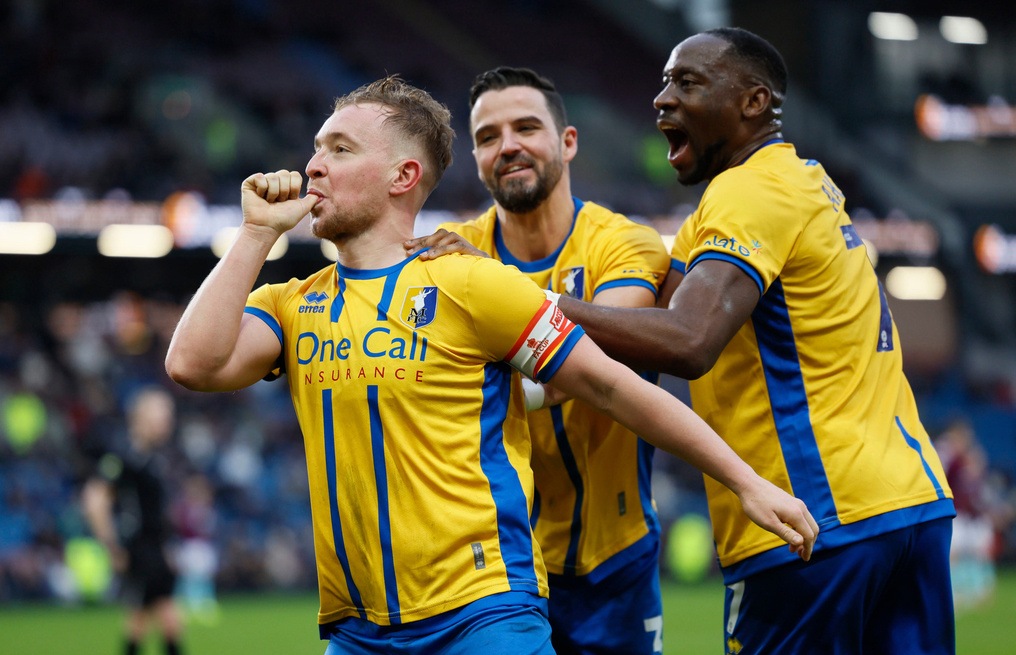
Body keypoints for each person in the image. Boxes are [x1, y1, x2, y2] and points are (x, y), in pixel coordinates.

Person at [164, 75, 816, 655]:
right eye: (315, 148)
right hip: (357, 630)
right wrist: (254, 235)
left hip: (483, 616)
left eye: (339, 149)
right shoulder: (291, 303)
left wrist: (746, 481)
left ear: (403, 176)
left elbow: (612, 385)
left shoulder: (471, 284)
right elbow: (193, 362)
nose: (313, 167)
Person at [411, 28, 956, 655]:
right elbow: (654, 325)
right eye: (665, 83)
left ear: (754, 102)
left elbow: (687, 340)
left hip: (813, 517)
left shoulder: (742, 194)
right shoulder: (800, 184)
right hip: (910, 503)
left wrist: (513, 301)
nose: (663, 100)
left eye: (687, 83)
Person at [411, 66, 672, 655]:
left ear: (568, 141)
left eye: (526, 127)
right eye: (487, 136)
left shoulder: (624, 244)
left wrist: (494, 297)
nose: (508, 146)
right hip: (492, 573)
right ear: (474, 158)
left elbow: (598, 356)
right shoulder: (446, 256)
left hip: (614, 557)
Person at [82, 386, 185, 655]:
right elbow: (94, 500)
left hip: (153, 548)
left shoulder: (151, 456)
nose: (168, 420)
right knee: (146, 619)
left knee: (162, 619)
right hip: (138, 549)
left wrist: (166, 547)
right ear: (142, 416)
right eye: (163, 413)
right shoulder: (123, 455)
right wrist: (112, 546)